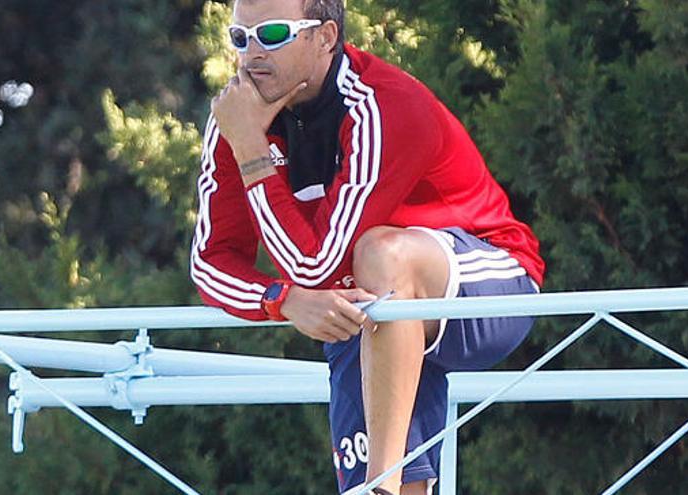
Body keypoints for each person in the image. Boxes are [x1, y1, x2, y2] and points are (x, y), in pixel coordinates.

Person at [191, 0, 545, 493]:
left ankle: (381, 485)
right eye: (239, 37)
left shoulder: (381, 105)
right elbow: (210, 264)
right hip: (367, 312)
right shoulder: (238, 121)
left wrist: (253, 152)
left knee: (380, 254)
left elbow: (314, 268)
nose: (252, 54)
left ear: (326, 36)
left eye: (271, 34)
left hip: (489, 282)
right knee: (364, 303)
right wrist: (281, 300)